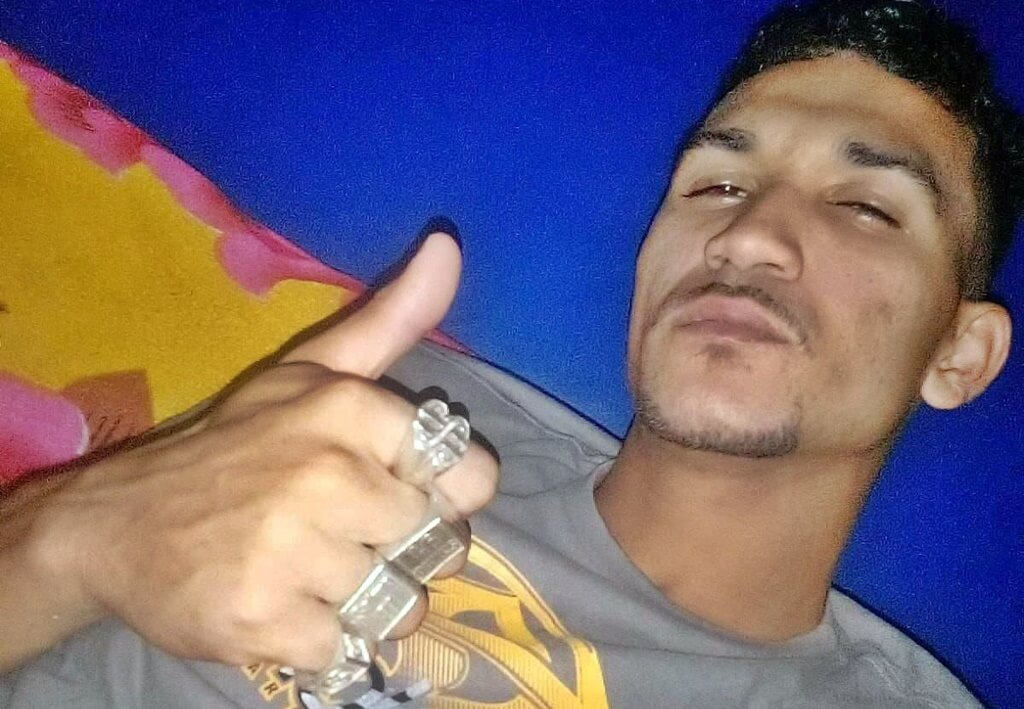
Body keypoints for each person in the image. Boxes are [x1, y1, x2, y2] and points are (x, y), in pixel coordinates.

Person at [2, 0, 1022, 706]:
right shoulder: (396, 403)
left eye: (864, 206)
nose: (748, 235)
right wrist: (81, 536)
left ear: (960, 353)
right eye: (715, 185)